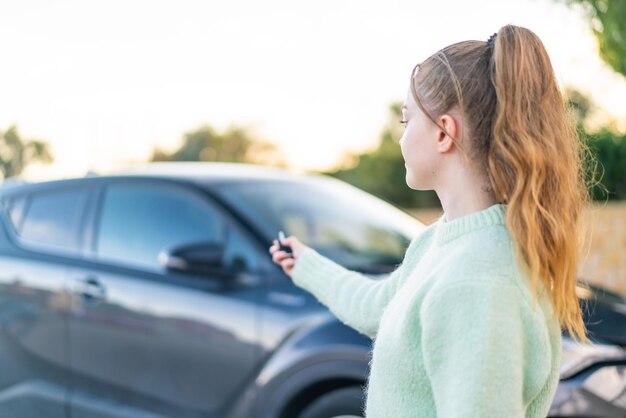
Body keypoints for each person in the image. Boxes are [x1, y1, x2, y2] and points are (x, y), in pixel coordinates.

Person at [269, 24, 590, 418]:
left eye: (406, 122)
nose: (401, 139)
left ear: (443, 133)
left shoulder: (478, 279)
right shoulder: (440, 241)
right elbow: (377, 307)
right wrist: (305, 265)